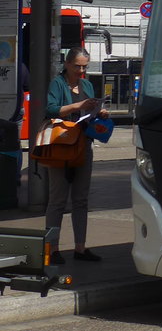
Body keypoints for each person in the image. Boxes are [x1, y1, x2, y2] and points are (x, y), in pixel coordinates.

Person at [45, 47, 108, 264]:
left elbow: (89, 111)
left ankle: (80, 248)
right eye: (77, 66)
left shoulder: (87, 84)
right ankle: (52, 249)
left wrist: (99, 111)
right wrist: (78, 105)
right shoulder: (58, 83)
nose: (81, 70)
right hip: (61, 146)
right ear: (67, 64)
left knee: (81, 199)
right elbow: (51, 109)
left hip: (83, 144)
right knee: (58, 200)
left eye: (84, 66)